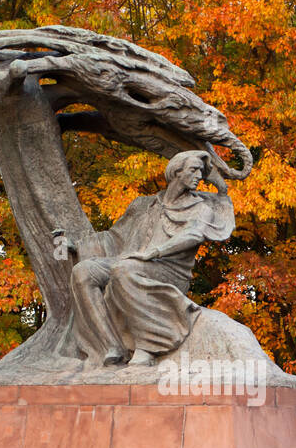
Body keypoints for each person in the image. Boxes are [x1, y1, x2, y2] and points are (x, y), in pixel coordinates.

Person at [61, 150, 234, 367]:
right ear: (176, 172)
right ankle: (112, 346)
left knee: (124, 270)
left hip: (169, 269)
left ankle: (148, 347)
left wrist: (155, 252)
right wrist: (76, 246)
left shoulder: (201, 209)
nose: (199, 175)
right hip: (132, 261)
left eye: (201, 171)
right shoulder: (144, 204)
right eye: (194, 169)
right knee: (83, 272)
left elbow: (193, 234)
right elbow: (115, 236)